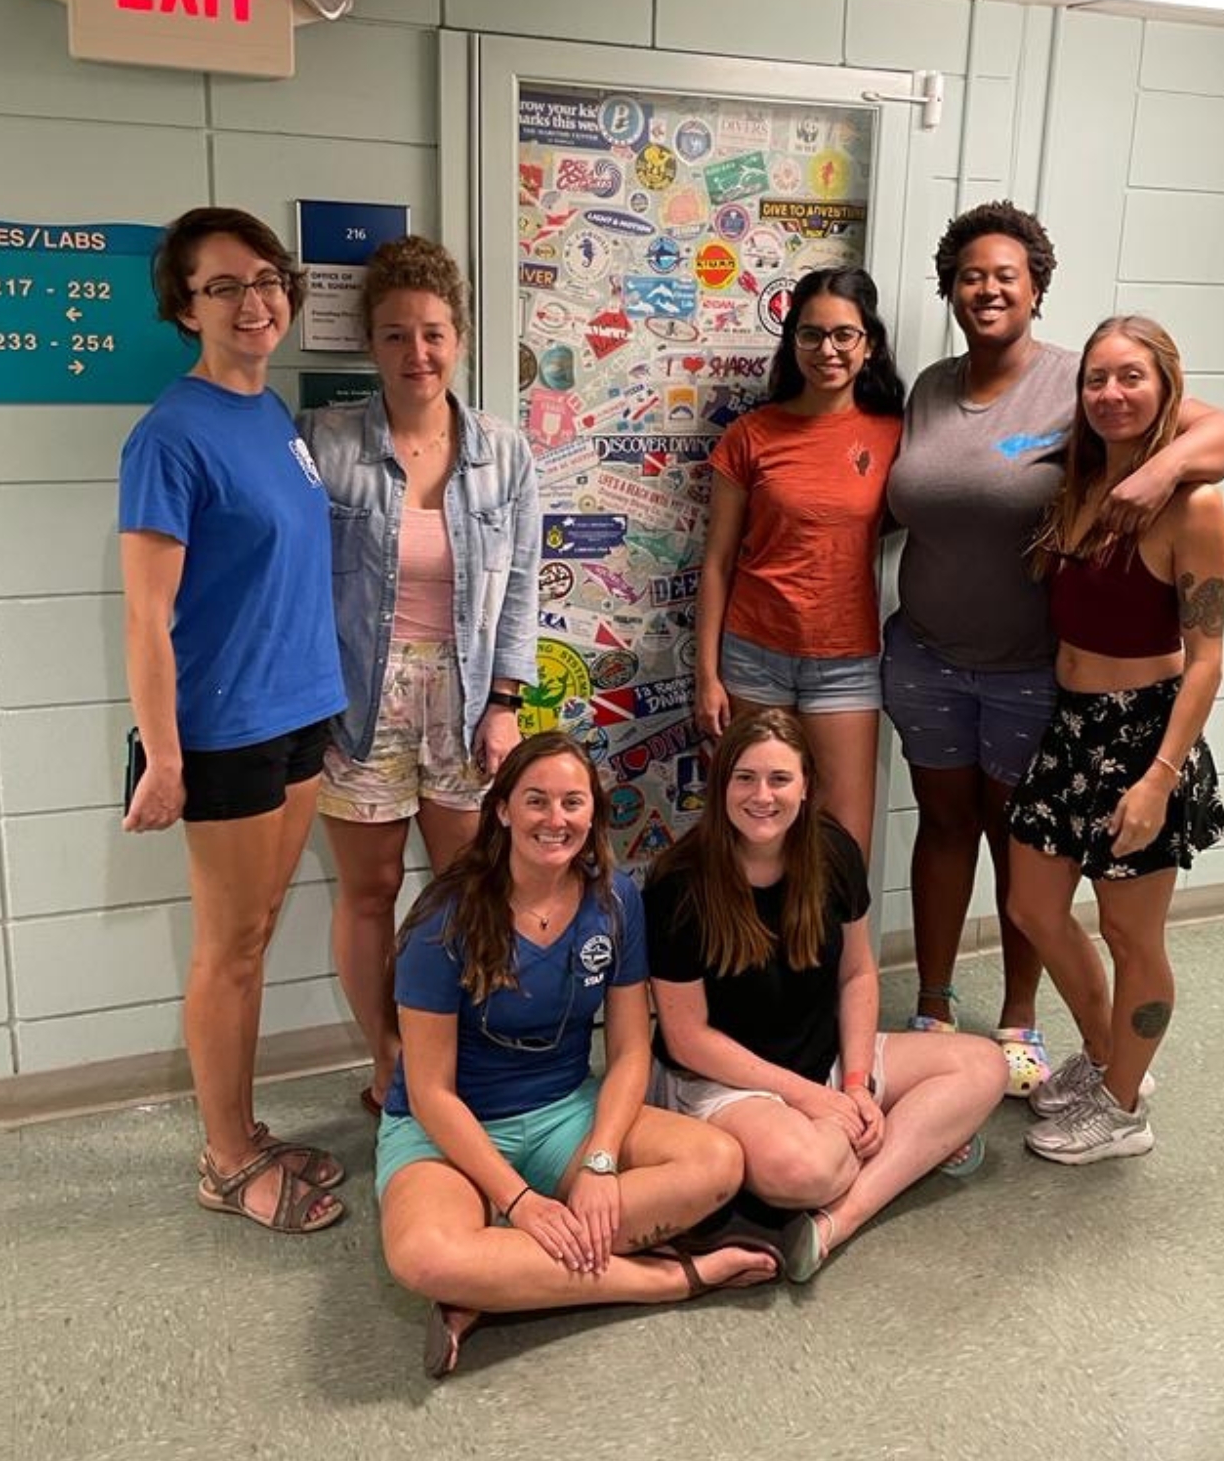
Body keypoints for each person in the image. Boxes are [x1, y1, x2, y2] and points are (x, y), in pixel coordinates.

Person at [882, 200, 1224, 1094]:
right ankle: (988, 1020)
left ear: (1037, 286)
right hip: (948, 665)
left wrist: (1165, 467)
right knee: (977, 853)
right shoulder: (934, 388)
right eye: (970, 275)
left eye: (1006, 274)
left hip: (1047, 684)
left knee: (1056, 883)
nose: (987, 288)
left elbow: (1222, 433)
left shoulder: (1084, 390)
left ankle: (1042, 1036)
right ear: (950, 290)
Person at [377, 733, 778, 1379]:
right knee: (424, 1257)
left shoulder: (616, 899)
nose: (555, 819)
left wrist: (599, 1161)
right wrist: (521, 1202)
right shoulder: (443, 920)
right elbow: (430, 1093)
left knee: (719, 1162)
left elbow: (627, 1052)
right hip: (449, 1132)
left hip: (566, 1113)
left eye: (572, 802)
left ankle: (498, 1276)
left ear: (594, 812)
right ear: (502, 810)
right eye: (535, 801)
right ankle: (669, 1279)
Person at [119, 207, 348, 1232]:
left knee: (257, 931)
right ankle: (222, 1159)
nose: (257, 301)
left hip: (301, 713)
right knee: (232, 948)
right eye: (226, 286)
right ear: (184, 307)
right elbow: (146, 614)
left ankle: (246, 1132)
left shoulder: (272, 417)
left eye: (268, 278)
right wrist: (163, 757)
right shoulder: (168, 435)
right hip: (224, 729)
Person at [299, 236, 540, 1116]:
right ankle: (389, 1059)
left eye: (434, 333)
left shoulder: (506, 456)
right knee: (367, 892)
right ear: (370, 343)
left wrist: (507, 703)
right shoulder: (325, 444)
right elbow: (294, 582)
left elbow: (519, 596)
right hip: (360, 701)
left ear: (461, 339)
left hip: (469, 696)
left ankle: (462, 1057)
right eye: (396, 334)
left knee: (469, 889)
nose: (417, 353)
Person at [645, 710, 1008, 1284]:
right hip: (724, 1081)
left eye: (779, 779)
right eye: (744, 778)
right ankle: (908, 1145)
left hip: (825, 1059)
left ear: (807, 785)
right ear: (720, 786)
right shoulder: (678, 882)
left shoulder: (833, 850)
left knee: (986, 1064)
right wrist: (814, 1102)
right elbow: (689, 1038)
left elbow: (858, 974)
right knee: (808, 1170)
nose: (762, 796)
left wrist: (857, 1083)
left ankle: (837, 1221)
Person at [1005, 316, 1224, 1164]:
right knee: (1032, 906)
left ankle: (1125, 1110)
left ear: (1167, 387)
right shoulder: (1085, 484)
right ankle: (1107, 1057)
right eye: (1096, 379)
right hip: (1070, 729)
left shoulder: (1193, 507)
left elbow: (1207, 661)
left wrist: (1159, 778)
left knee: (1135, 936)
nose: (1111, 394)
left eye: (1131, 377)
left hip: (1144, 738)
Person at [693, 268, 905, 857]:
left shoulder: (896, 435)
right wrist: (706, 677)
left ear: (870, 344)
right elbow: (717, 563)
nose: (827, 350)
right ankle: (752, 950)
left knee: (842, 841)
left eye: (844, 335)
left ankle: (847, 954)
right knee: (756, 833)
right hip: (753, 657)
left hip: (846, 664)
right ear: (792, 342)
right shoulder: (749, 436)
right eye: (810, 335)